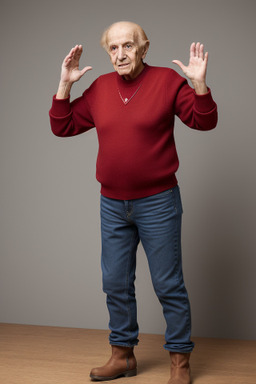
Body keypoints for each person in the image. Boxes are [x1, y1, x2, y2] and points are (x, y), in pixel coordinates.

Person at [49, 21, 217, 384]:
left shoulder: (167, 82)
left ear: (144, 48)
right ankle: (122, 356)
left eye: (128, 46)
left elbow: (204, 122)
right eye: (113, 48)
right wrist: (65, 83)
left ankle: (179, 363)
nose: (120, 54)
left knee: (168, 284)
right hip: (112, 203)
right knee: (115, 282)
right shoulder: (100, 89)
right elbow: (62, 126)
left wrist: (198, 84)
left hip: (158, 202)